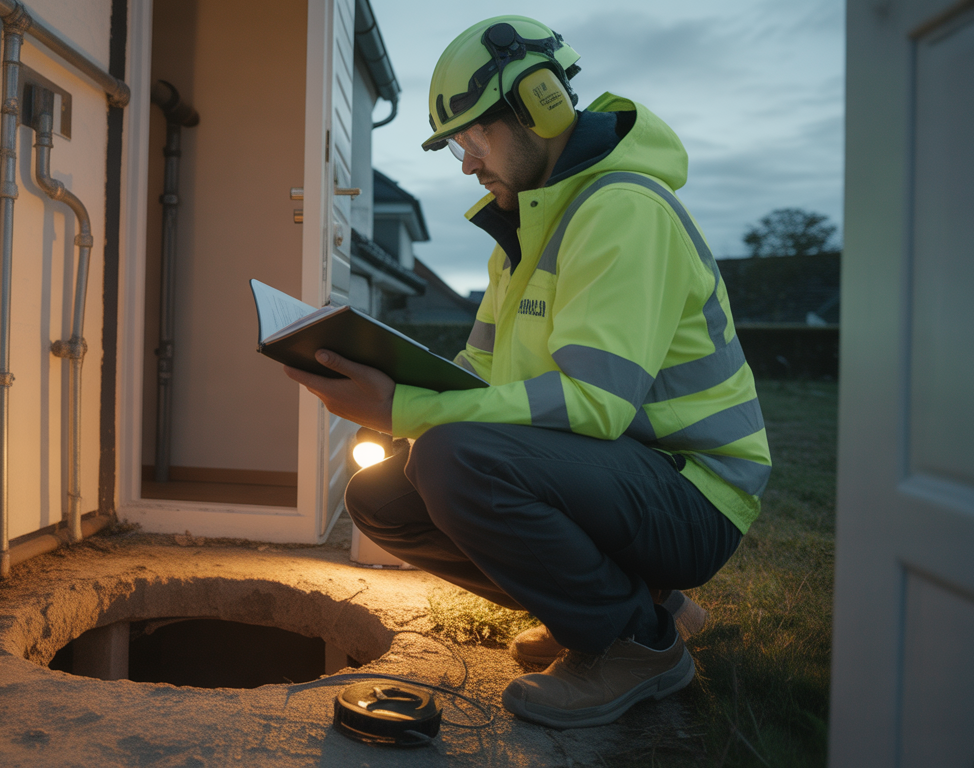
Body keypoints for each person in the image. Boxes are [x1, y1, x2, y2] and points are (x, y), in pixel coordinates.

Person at [283, 15, 771, 729]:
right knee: (384, 498)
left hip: (691, 491)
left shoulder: (623, 212)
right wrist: (390, 382)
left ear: (539, 105)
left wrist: (407, 412)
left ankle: (637, 645)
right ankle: (635, 604)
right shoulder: (521, 233)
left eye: (470, 136)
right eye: (456, 143)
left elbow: (597, 403)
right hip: (617, 476)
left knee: (454, 457)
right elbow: (477, 371)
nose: (464, 162)